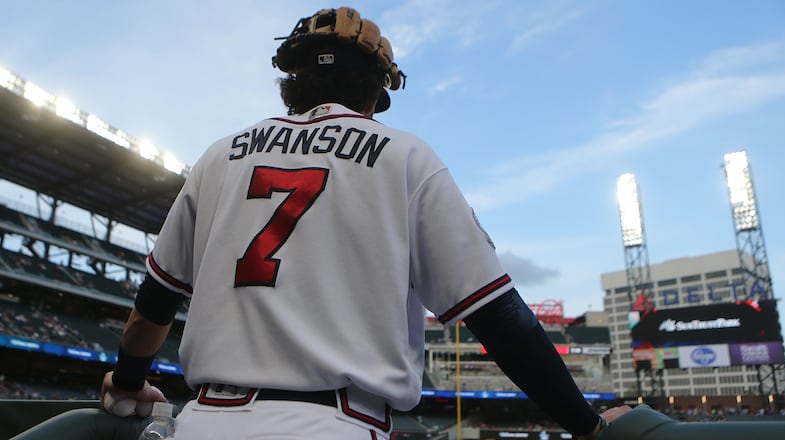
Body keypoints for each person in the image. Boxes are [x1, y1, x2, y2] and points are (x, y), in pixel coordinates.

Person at [100, 6, 630, 439]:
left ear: (292, 81)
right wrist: (585, 424)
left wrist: (127, 384)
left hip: (204, 421)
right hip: (338, 423)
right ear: (377, 93)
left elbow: (154, 305)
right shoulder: (405, 157)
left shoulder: (219, 156)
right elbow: (498, 317)